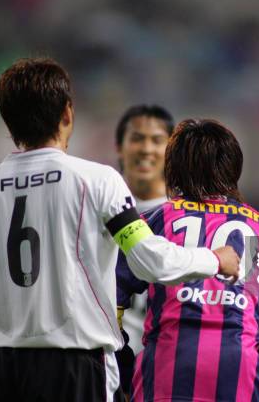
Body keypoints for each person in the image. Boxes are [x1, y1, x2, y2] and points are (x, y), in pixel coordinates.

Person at [0, 57, 240, 402]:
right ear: (67, 114)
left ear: (8, 120)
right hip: (74, 363)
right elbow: (149, 261)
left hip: (2, 363)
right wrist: (214, 259)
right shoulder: (97, 180)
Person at [117, 119, 259, 402]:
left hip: (166, 371)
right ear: (233, 167)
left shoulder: (153, 221)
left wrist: (125, 368)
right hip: (241, 370)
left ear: (173, 168)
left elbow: (108, 295)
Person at [114, 105, 174, 394]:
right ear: (119, 147)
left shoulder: (187, 219)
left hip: (166, 373)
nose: (146, 149)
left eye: (157, 139)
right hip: (105, 367)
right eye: (137, 138)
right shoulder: (93, 212)